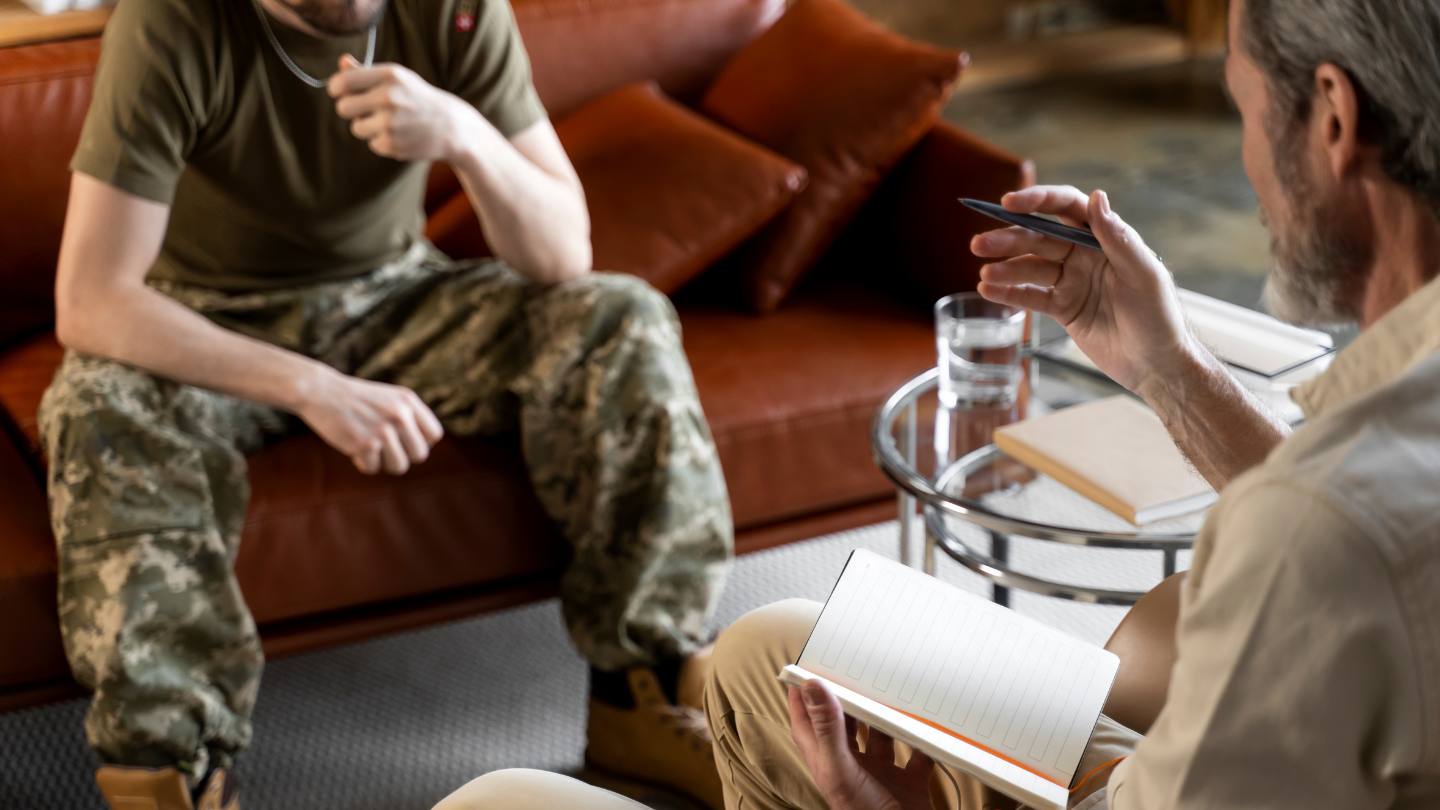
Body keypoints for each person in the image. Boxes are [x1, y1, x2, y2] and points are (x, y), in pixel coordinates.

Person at [443, 0, 1440, 806]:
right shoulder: (1384, 442)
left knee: (494, 803)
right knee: (768, 650)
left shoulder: (1311, 544)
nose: (1247, 164)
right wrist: (1166, 363)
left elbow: (1332, 539)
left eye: (1244, 108)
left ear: (1334, 118)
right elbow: (1366, 530)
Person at [40, 0, 734, 808]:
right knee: (97, 405)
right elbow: (92, 299)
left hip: (393, 292)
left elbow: (561, 254)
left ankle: (638, 695)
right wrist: (311, 385)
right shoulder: (173, 21)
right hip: (206, 313)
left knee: (621, 318)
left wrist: (465, 135)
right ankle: (167, 775)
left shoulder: (456, 10)